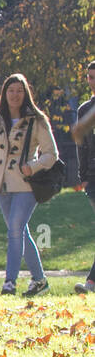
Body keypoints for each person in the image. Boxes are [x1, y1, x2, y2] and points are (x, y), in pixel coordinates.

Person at [0, 73, 59, 297]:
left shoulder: (36, 120)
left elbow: (52, 154)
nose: (15, 95)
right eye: (11, 91)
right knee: (20, 233)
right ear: (4, 94)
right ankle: (39, 281)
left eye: (19, 90)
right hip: (2, 186)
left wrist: (33, 166)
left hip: (26, 185)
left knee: (14, 230)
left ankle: (10, 282)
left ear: (25, 93)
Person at [74, 60, 95, 294]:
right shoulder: (84, 110)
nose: (92, 82)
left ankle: (91, 282)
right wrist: (84, 176)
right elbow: (82, 146)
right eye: (90, 77)